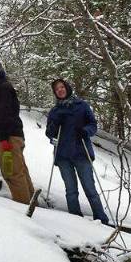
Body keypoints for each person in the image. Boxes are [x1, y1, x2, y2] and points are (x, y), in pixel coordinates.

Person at [45, 79, 108, 224]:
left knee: (90, 189)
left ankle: (102, 220)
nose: (60, 90)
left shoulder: (81, 105)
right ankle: (75, 221)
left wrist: (85, 131)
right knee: (71, 191)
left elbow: (93, 124)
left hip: (81, 153)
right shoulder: (55, 111)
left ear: (67, 88)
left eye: (62, 87)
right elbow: (49, 133)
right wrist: (54, 125)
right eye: (56, 89)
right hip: (63, 156)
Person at [0, 61, 35, 204]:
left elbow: (4, 114)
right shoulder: (2, 89)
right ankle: (32, 203)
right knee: (20, 171)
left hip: (8, 137)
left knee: (11, 173)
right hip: (14, 136)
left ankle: (23, 207)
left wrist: (3, 138)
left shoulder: (3, 89)